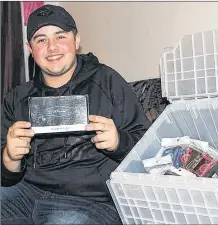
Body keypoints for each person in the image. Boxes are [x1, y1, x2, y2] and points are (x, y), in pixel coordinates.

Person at [1, 4, 150, 225]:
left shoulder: (107, 81)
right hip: (27, 193)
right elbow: (6, 176)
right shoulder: (17, 98)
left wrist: (119, 141)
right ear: (30, 48)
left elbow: (148, 150)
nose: (52, 47)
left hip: (90, 202)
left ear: (76, 40)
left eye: (60, 36)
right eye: (41, 39)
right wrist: (10, 157)